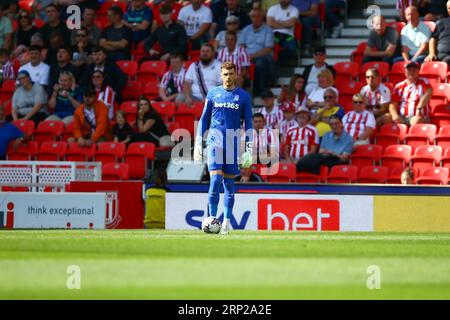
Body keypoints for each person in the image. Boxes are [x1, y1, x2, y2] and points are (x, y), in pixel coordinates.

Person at [194, 62, 253, 234]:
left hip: (232, 144)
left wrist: (249, 148)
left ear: (236, 75)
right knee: (215, 181)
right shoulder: (213, 94)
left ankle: (226, 222)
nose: (228, 77)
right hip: (214, 142)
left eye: (231, 74)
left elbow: (248, 123)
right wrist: (198, 141)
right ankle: (212, 220)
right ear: (221, 75)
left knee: (229, 184)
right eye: (225, 74)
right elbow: (204, 118)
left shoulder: (243, 96)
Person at [240, 8, 275, 96]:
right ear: (250, 18)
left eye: (258, 16)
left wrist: (252, 56)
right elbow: (241, 46)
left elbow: (268, 49)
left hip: (263, 56)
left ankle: (261, 89)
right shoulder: (245, 30)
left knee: (260, 62)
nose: (256, 18)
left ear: (262, 17)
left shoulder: (268, 30)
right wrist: (245, 57)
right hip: (246, 58)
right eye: (253, 16)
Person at [389, 61, 433, 126]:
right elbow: (393, 104)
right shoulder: (399, 86)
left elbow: (429, 92)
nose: (411, 72)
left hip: (418, 116)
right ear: (405, 72)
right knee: (385, 118)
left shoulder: (423, 82)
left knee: (416, 121)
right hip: (402, 117)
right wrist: (394, 115)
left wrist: (419, 107)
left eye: (414, 70)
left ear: (418, 72)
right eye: (409, 70)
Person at [425, 0, 450, 64]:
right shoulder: (441, 22)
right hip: (441, 55)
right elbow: (432, 38)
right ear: (447, 10)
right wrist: (432, 53)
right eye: (449, 8)